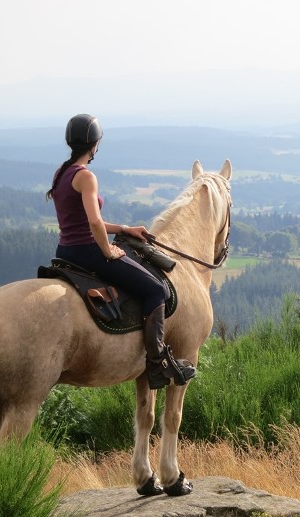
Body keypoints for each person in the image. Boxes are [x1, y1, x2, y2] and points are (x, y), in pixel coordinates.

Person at [46, 113, 196, 389]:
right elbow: (93, 222)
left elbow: (83, 221)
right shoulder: (86, 177)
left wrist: (123, 229)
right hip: (89, 251)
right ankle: (158, 364)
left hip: (66, 250)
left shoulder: (62, 173)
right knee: (155, 290)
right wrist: (108, 249)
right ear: (95, 144)